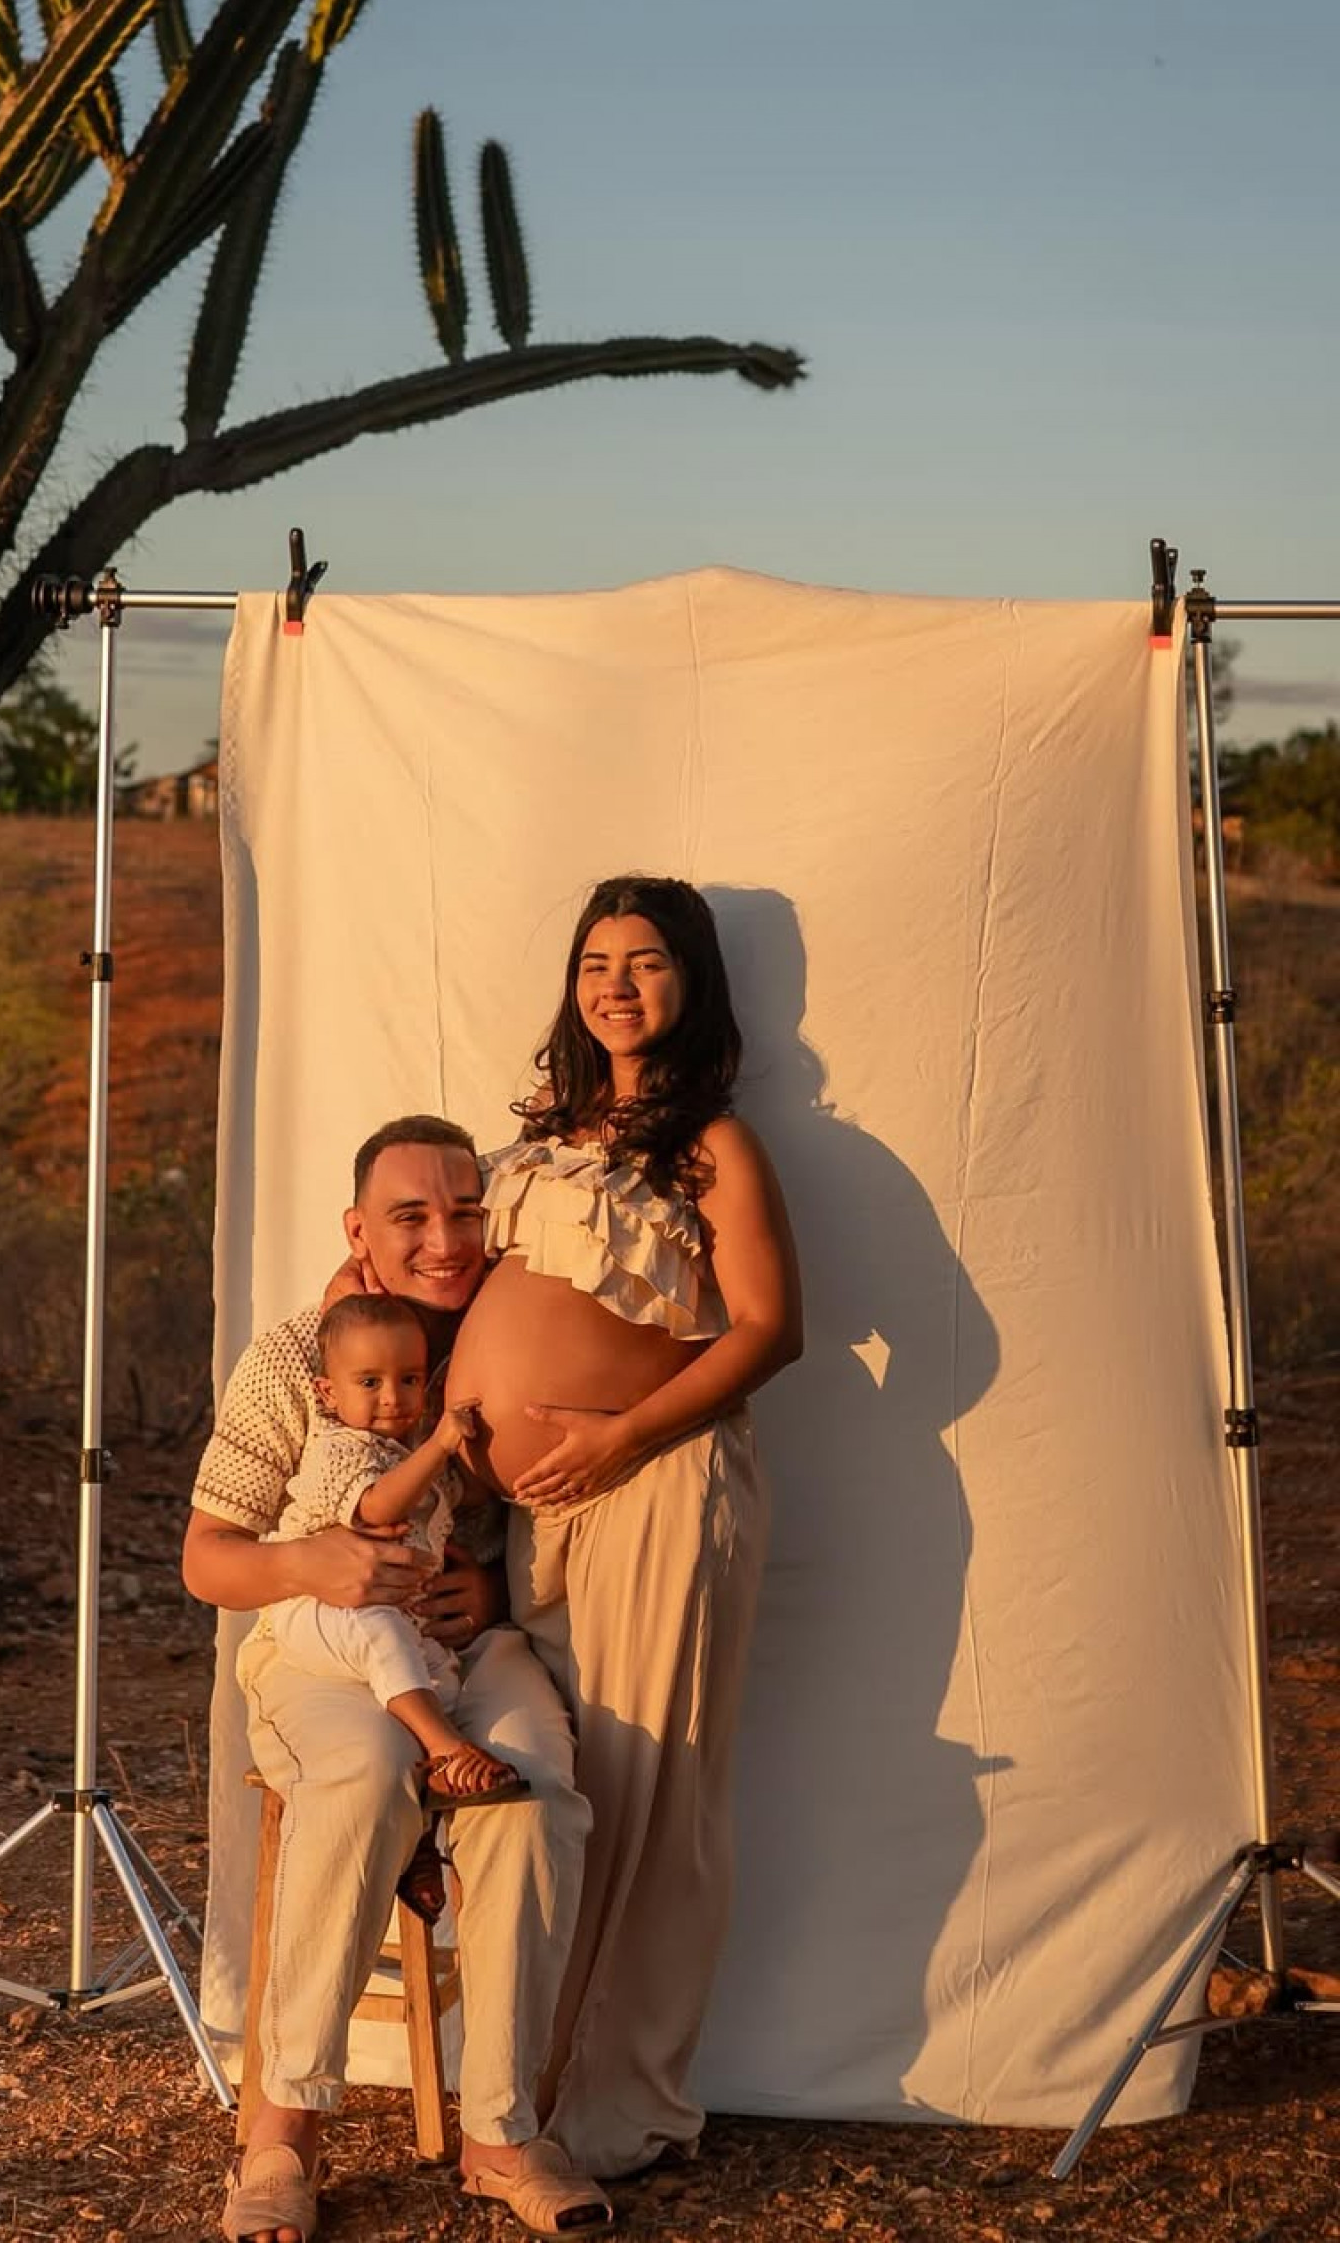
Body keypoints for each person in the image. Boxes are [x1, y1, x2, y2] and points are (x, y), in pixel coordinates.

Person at [184, 1116, 610, 2243]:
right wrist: (309, 1560)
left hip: (464, 1646)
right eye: (410, 1215)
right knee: (368, 1771)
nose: (444, 1238)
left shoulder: (517, 1346)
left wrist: (495, 1592)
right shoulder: (297, 1355)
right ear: (357, 1230)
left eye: (466, 1211)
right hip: (325, 1643)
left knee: (533, 1790)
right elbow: (206, 1559)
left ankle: (503, 2132)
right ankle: (282, 2131)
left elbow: (556, 1524)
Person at [445, 877, 804, 2179]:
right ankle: (522, 2089)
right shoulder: (543, 1133)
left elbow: (772, 1328)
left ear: (690, 980)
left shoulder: (714, 1143)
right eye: (596, 961)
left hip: (659, 1481)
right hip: (540, 1514)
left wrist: (623, 1435)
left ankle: (620, 2103)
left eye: (645, 961)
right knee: (568, 1782)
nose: (616, 984)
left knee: (654, 1790)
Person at [256, 1292, 525, 1806]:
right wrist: (442, 1444)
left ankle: (431, 1795)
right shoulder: (339, 1448)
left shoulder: (408, 1453)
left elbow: (461, 1495)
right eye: (370, 1383)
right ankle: (446, 1749)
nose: (392, 1398)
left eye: (409, 1380)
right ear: (328, 1393)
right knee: (381, 1634)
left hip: (396, 1616)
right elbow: (378, 1508)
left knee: (439, 1677)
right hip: (318, 1610)